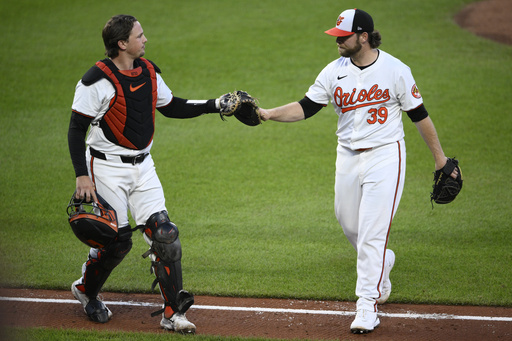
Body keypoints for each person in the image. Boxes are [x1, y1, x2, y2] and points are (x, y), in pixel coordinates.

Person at [259, 8, 459, 334]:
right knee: (348, 222)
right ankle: (382, 258)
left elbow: (419, 115)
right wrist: (269, 113)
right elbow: (306, 107)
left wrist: (440, 159)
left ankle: (367, 305)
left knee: (370, 233)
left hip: (385, 156)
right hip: (347, 157)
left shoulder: (396, 70)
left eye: (344, 36)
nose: (337, 41)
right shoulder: (333, 71)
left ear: (363, 36)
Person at [68, 14, 237, 333]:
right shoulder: (95, 81)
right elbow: (77, 128)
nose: (145, 39)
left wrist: (215, 104)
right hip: (104, 167)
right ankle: (86, 290)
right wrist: (82, 176)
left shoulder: (148, 71)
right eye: (139, 35)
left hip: (143, 166)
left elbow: (172, 105)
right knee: (117, 243)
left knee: (165, 235)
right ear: (122, 44)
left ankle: (173, 313)